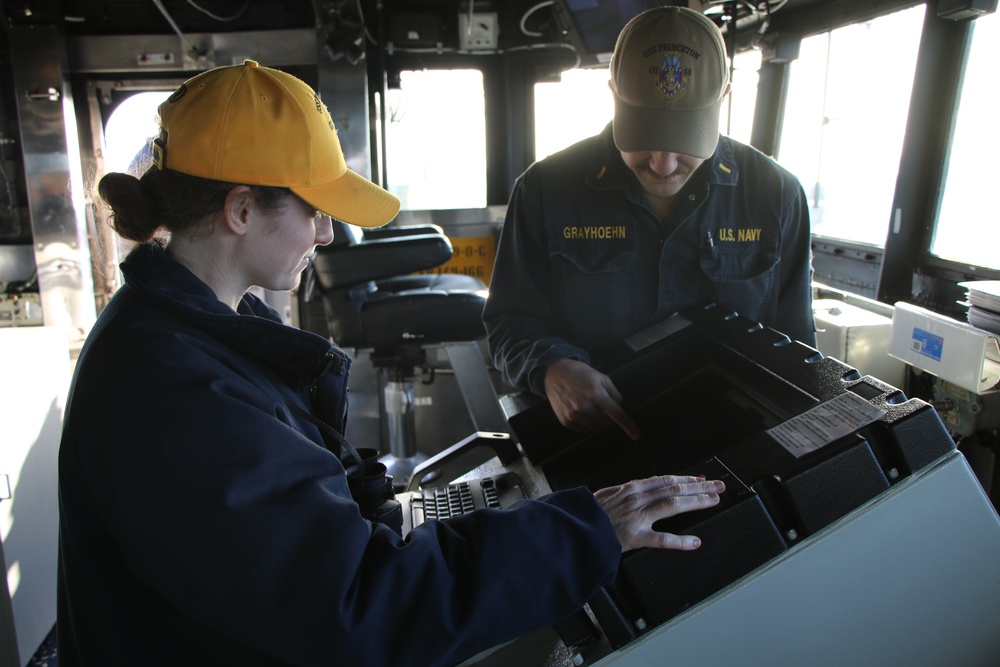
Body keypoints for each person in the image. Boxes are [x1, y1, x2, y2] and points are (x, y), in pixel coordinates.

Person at [56, 60, 725, 667]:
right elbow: (357, 607)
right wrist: (584, 533)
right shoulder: (174, 390)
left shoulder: (208, 335)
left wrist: (403, 513)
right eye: (315, 210)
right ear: (240, 210)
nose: (324, 234)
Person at [484, 6, 816, 441]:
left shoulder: (776, 196)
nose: (663, 164)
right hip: (593, 439)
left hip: (729, 439)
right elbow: (509, 322)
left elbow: (797, 353)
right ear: (613, 93)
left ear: (723, 98)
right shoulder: (545, 190)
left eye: (684, 142)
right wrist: (551, 369)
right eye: (645, 135)